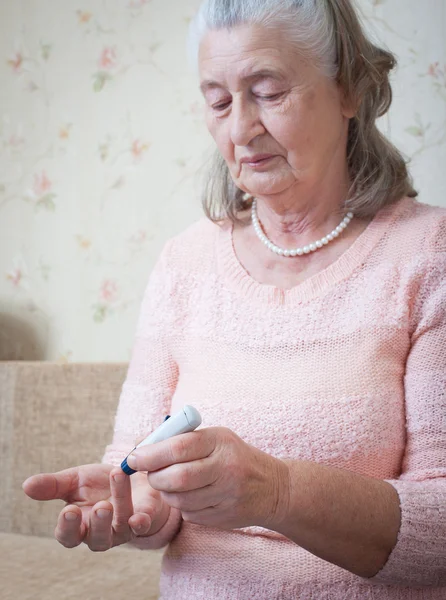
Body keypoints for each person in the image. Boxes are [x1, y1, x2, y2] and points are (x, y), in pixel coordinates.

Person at [23, 0, 446, 598]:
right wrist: (137, 507)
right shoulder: (184, 263)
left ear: (348, 89)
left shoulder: (429, 253)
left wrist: (278, 493)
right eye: (218, 102)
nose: (239, 129)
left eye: (268, 92)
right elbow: (138, 468)